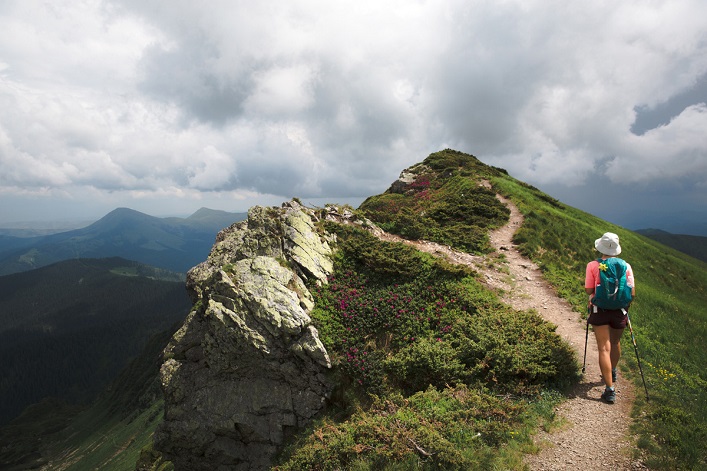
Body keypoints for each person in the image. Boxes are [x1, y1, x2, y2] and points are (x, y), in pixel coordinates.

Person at [584, 232, 635, 404]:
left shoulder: (592, 265)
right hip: (620, 310)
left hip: (600, 310)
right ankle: (613, 370)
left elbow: (589, 290)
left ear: (601, 247)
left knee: (603, 348)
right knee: (615, 343)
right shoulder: (626, 266)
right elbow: (632, 292)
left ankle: (610, 390)